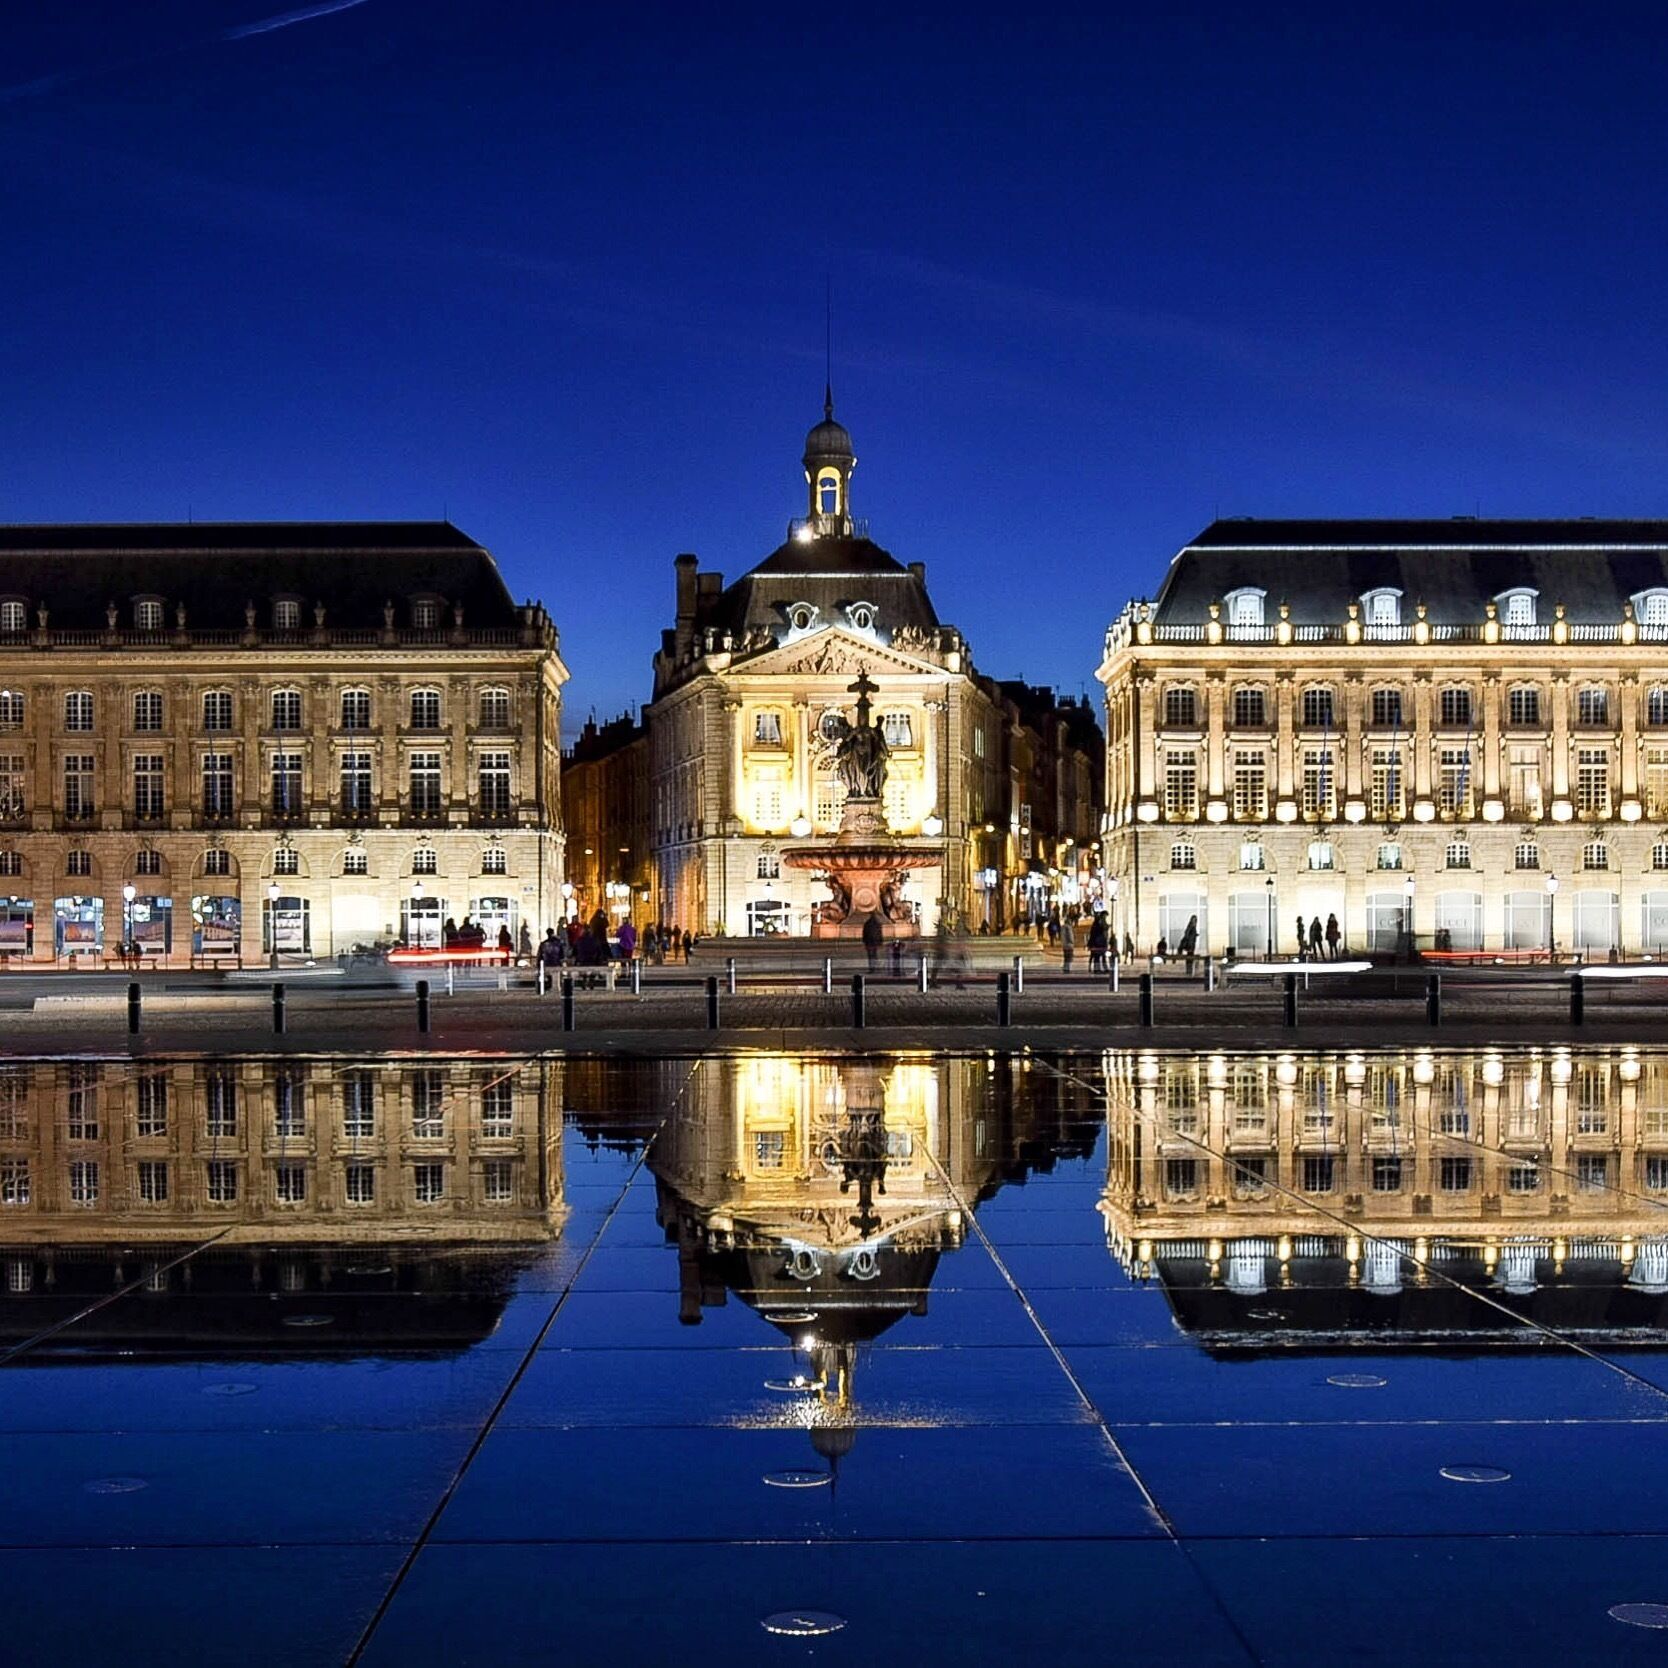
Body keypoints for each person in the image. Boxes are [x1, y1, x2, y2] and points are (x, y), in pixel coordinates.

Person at [1178, 913, 1199, 977]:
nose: (1195, 921)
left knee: (1190, 958)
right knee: (1190, 958)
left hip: (1192, 944)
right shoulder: (1191, 926)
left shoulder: (1193, 926)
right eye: (1194, 920)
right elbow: (1187, 934)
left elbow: (1189, 934)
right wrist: (1189, 939)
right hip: (1190, 945)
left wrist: (1195, 935)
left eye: (1195, 920)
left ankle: (1189, 970)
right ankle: (1189, 970)